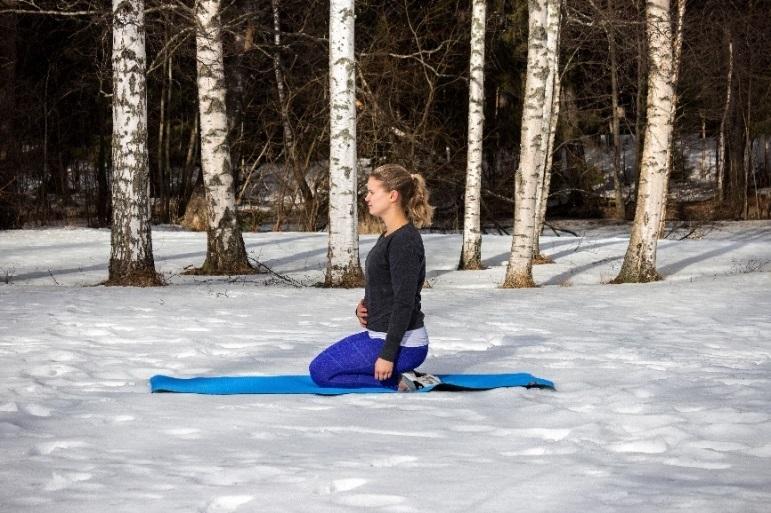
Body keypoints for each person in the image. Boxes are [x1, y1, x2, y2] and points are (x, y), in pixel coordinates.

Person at [309, 164, 434, 391]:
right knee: (320, 366)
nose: (366, 198)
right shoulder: (389, 235)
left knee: (322, 374)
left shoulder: (404, 242)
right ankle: (400, 371)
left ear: (393, 196)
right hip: (378, 335)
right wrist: (365, 305)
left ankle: (401, 381)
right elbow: (384, 283)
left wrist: (387, 356)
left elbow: (404, 302)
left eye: (372, 192)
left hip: (404, 344)